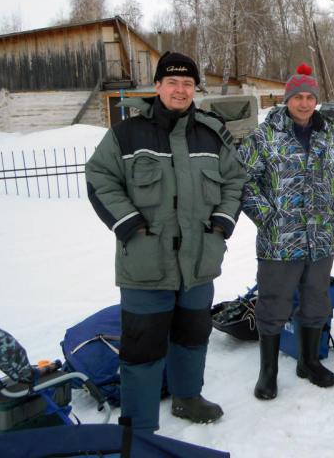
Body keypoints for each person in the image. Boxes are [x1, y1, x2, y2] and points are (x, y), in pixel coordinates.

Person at [85, 51, 246, 431]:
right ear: (157, 86)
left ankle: (188, 398)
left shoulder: (211, 132)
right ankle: (139, 424)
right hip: (146, 261)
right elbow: (99, 177)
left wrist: (222, 223)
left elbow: (235, 179)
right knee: (143, 347)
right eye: (172, 82)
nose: (180, 89)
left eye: (187, 83)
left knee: (193, 336)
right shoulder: (128, 133)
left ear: (195, 89)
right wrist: (128, 223)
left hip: (199, 261)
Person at [239, 63, 334, 400]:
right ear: (286, 99)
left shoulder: (331, 135)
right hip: (279, 242)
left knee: (316, 301)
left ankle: (308, 362)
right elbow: (242, 179)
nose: (304, 103)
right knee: (273, 305)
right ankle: (269, 373)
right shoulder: (264, 136)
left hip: (320, 240)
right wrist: (266, 216)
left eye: (309, 97)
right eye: (298, 97)